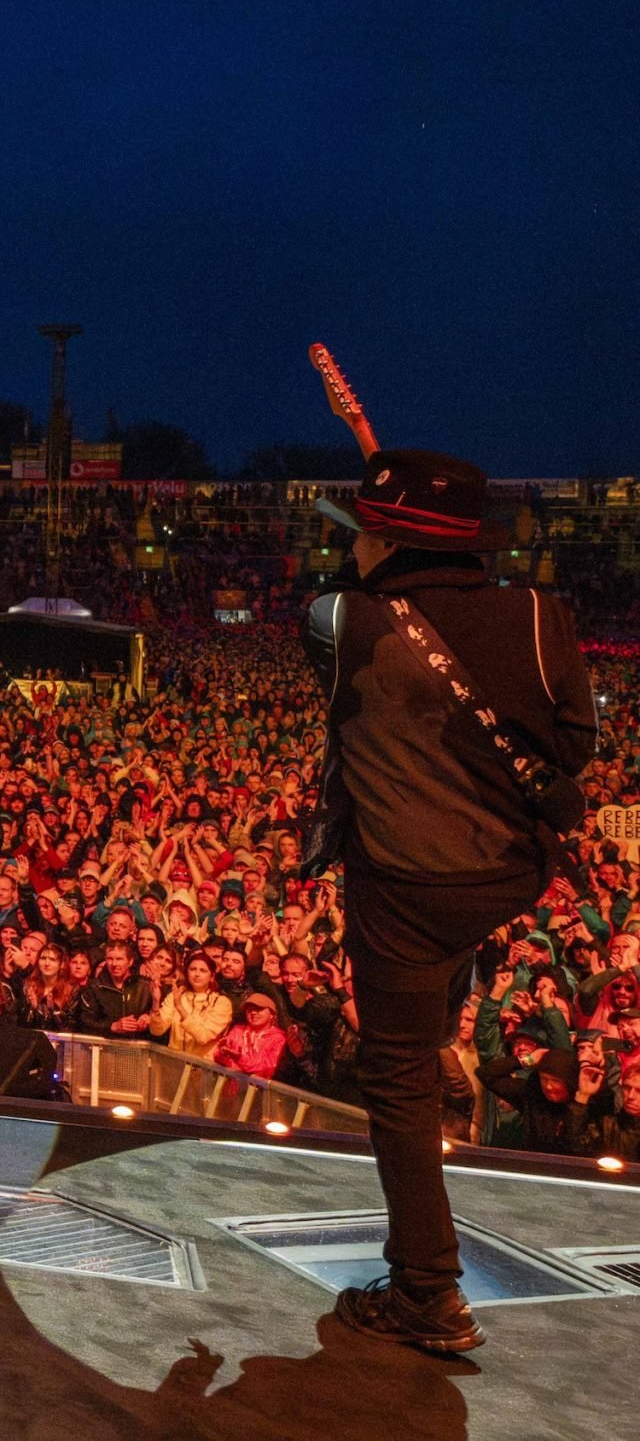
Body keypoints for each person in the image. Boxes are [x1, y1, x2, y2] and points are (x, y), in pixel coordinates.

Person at [303, 448, 596, 1355]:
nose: (350, 550)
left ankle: (427, 1291)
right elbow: (574, 747)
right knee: (438, 987)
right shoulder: (544, 615)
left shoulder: (337, 616)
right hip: (507, 876)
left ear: (385, 541)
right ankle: (447, 1000)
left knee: (399, 1076)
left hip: (404, 887)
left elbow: (353, 696)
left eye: (363, 534)